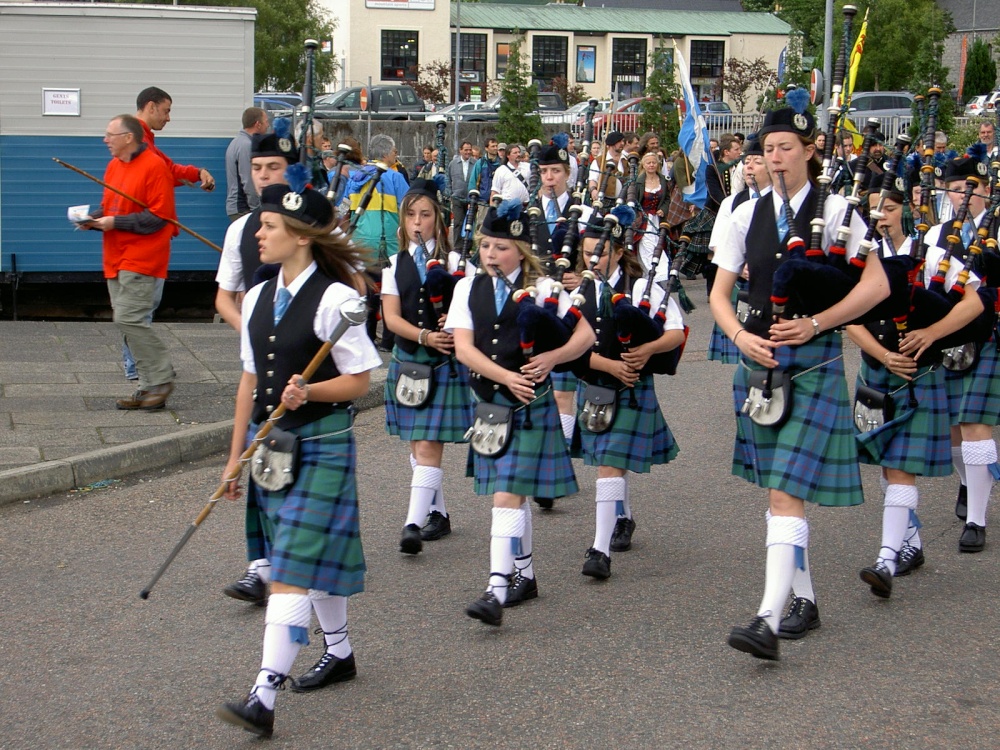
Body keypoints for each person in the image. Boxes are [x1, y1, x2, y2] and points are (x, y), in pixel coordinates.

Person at [710, 93, 889, 661]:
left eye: (787, 148)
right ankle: (803, 600)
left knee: (786, 492)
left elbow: (877, 287)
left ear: (810, 152)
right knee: (779, 494)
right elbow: (717, 295)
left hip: (812, 367)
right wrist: (740, 337)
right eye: (768, 149)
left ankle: (766, 618)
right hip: (758, 367)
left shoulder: (838, 212)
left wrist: (817, 323)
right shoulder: (744, 213)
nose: (776, 158)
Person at [216, 181, 380, 736]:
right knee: (309, 563)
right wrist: (235, 454)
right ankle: (340, 651)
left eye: (268, 228)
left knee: (288, 569)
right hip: (272, 450)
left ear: (301, 239)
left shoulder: (336, 299)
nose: (257, 235)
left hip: (320, 445)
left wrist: (311, 391)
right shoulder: (259, 296)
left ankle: (263, 694)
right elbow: (248, 379)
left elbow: (360, 380)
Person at [446, 202, 595, 626]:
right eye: (487, 245)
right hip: (491, 405)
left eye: (502, 247)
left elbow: (586, 334)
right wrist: (505, 378)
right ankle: (524, 575)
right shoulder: (466, 289)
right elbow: (464, 348)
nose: (492, 254)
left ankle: (496, 588)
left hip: (531, 405)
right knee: (514, 492)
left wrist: (553, 357)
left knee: (507, 492)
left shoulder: (546, 287)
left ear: (521, 250)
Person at [845, 178, 958, 597]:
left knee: (900, 468)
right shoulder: (862, 260)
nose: (880, 217)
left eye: (888, 209)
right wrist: (883, 353)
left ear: (902, 212)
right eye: (874, 210)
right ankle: (909, 543)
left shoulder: (931, 256)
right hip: (877, 372)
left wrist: (932, 333)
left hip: (918, 375)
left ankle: (886, 560)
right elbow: (847, 318)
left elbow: (976, 303)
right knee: (886, 464)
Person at [574, 210, 684, 578]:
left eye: (602, 252)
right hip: (595, 384)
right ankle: (623, 516)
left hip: (632, 388)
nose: (594, 260)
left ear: (620, 252)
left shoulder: (643, 286)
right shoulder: (576, 292)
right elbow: (565, 349)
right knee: (610, 463)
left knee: (609, 463)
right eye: (588, 253)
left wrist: (646, 351)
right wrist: (608, 365)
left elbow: (675, 331)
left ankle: (599, 549)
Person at [381, 178, 473, 554]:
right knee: (418, 443)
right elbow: (390, 317)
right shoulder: (392, 264)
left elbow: (471, 311)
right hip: (410, 359)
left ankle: (412, 524)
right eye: (412, 215)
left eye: (426, 214)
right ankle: (438, 512)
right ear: (403, 222)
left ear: (438, 220)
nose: (418, 222)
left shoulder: (457, 263)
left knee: (428, 444)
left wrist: (450, 324)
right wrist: (424, 336)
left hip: (444, 364)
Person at [917, 155, 995, 554]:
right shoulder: (938, 236)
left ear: (986, 190)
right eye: (957, 188)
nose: (965, 195)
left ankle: (977, 521)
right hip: (950, 337)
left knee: (974, 423)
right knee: (951, 429)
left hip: (991, 334)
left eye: (972, 188)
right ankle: (971, 480)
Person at [83, 114, 178, 410]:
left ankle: (161, 378)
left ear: (128, 137)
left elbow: (158, 218)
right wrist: (94, 218)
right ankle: (148, 388)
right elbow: (113, 205)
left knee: (128, 318)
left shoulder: (154, 167)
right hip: (115, 257)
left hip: (142, 257)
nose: (105, 140)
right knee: (127, 323)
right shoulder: (113, 166)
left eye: (110, 134)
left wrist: (114, 223)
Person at [215, 121, 298, 332]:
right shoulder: (240, 229)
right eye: (256, 168)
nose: (263, 175)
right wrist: (246, 329)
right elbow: (224, 297)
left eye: (273, 167)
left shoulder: (317, 224)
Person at [706, 136, 771, 365]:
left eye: (757, 161)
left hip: (771, 283)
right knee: (746, 357)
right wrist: (740, 266)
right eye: (746, 161)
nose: (749, 167)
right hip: (740, 279)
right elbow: (718, 243)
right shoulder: (732, 202)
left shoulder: (783, 202)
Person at [346, 133, 410, 348]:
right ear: (385, 154)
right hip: (389, 245)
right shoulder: (395, 178)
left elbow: (344, 209)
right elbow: (408, 209)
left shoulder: (355, 176)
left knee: (366, 293)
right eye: (394, 152)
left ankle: (366, 336)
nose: (396, 155)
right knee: (392, 292)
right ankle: (390, 340)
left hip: (360, 244)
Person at [135, 86, 215, 191]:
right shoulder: (136, 140)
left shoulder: (142, 139)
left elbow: (168, 171)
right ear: (151, 107)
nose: (168, 118)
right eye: (166, 111)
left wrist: (199, 173)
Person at [225, 107, 268, 221]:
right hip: (243, 208)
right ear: (258, 124)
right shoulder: (246, 146)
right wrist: (257, 210)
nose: (268, 125)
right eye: (266, 122)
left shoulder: (236, 142)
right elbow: (248, 180)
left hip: (238, 208)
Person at [634, 150, 671, 274]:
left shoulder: (663, 180)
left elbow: (667, 198)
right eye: (648, 163)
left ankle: (659, 274)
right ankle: (654, 274)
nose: (651, 165)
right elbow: (633, 201)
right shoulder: (638, 182)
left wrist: (663, 210)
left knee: (659, 245)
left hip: (658, 220)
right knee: (648, 248)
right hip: (643, 220)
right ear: (643, 165)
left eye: (654, 163)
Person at [468, 138, 502, 222]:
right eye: (492, 146)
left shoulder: (502, 163)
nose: (495, 148)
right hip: (483, 201)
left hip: (499, 201)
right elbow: (473, 182)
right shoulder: (480, 163)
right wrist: (471, 200)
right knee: (481, 226)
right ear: (486, 148)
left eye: (496, 146)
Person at [448, 140, 474, 235]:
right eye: (466, 150)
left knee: (470, 223)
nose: (468, 152)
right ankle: (457, 247)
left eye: (469, 150)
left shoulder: (475, 163)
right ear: (460, 150)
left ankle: (468, 246)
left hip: (471, 198)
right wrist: (450, 193)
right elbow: (448, 179)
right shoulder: (453, 164)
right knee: (458, 223)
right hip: (457, 197)